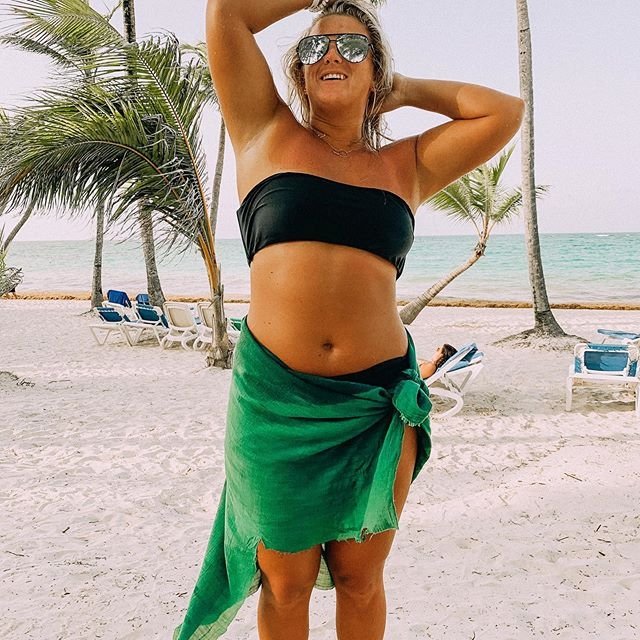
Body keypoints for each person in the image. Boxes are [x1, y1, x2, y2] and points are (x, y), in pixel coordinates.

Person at [174, 2, 524, 639]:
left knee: (361, 581)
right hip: (276, 403)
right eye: (315, 48)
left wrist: (405, 90)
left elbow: (504, 112)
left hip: (373, 404)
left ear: (376, 71)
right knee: (285, 583)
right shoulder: (262, 130)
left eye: (353, 47)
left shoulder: (407, 165)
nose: (331, 55)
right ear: (298, 73)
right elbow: (228, 13)